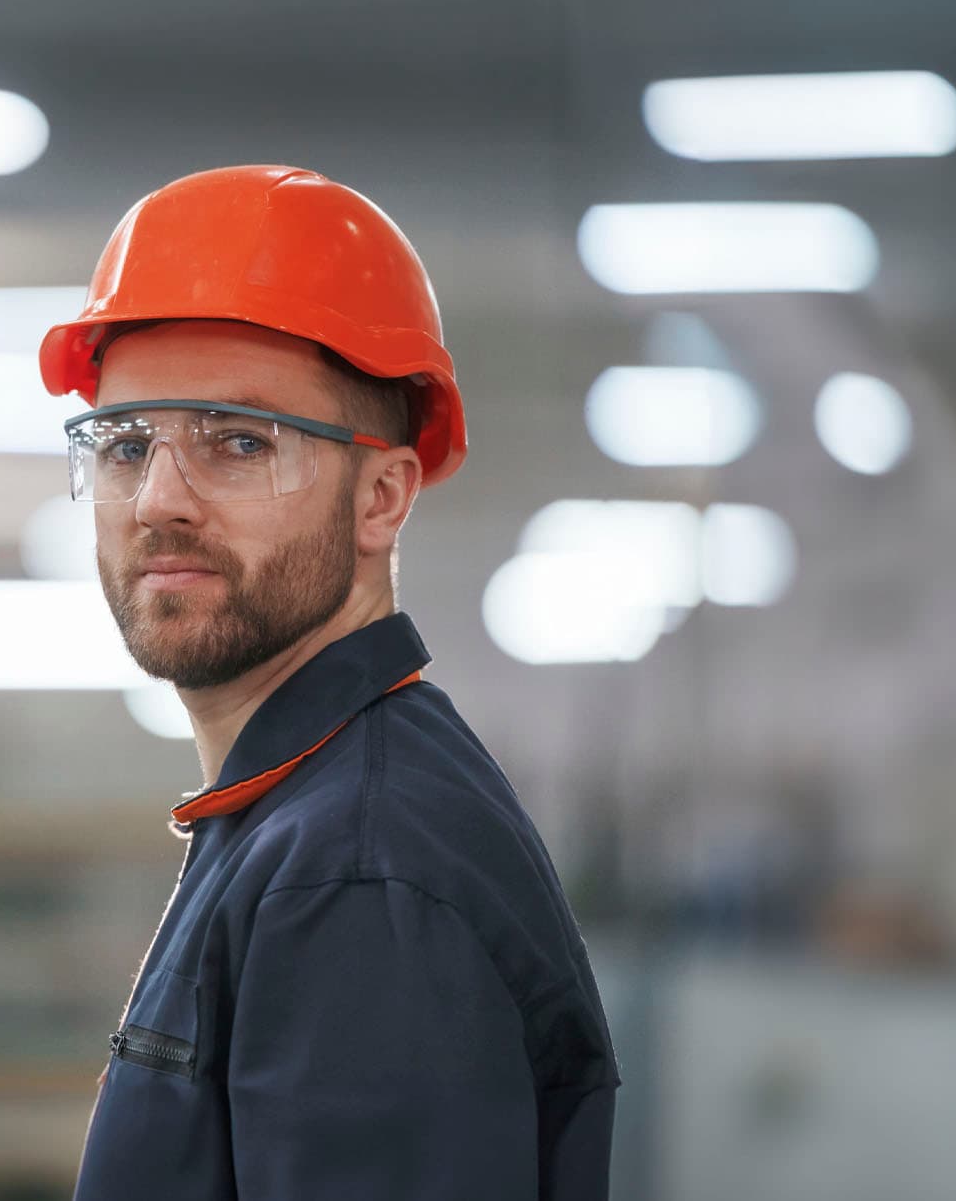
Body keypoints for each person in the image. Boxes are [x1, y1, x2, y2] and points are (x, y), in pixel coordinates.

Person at [44, 165, 618, 1200]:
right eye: (126, 444)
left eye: (237, 441)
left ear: (381, 497)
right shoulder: (296, 820)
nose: (159, 499)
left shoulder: (357, 877)